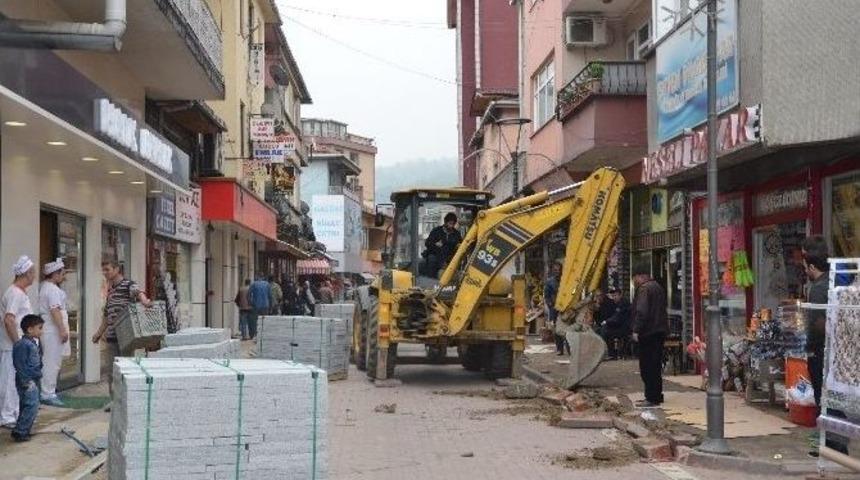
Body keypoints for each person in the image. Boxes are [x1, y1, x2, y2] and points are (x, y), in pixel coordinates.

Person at [92, 260, 152, 397]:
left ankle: (126, 400)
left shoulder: (127, 284)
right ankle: (114, 401)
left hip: (126, 336)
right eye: (103, 270)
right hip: (112, 337)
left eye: (107, 269)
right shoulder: (110, 289)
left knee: (126, 369)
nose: (105, 273)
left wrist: (144, 301)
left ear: (117, 269)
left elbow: (138, 292)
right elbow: (107, 314)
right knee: (112, 371)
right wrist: (99, 333)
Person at [0, 256, 36, 429]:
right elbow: (9, 320)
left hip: (18, 346)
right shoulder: (15, 293)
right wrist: (18, 344)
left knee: (15, 381)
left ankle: (12, 413)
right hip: (13, 347)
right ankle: (7, 416)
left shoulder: (19, 293)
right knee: (9, 381)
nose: (34, 276)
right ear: (26, 273)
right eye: (33, 272)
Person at [631, 268, 668, 407]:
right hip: (659, 331)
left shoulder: (644, 289)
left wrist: (636, 329)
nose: (634, 282)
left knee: (647, 366)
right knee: (656, 365)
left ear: (640, 276)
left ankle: (651, 397)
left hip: (648, 332)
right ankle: (657, 395)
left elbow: (642, 311)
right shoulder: (658, 287)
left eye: (634, 278)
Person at [38, 259, 71, 407]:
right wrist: (62, 330)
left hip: (51, 329)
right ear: (55, 274)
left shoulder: (47, 287)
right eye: (62, 273)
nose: (63, 277)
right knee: (52, 362)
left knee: (52, 361)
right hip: (53, 330)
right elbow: (55, 310)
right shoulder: (51, 289)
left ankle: (49, 390)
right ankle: (47, 393)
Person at [11, 314, 43, 442]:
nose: (42, 331)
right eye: (40, 328)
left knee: (28, 405)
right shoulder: (23, 345)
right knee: (31, 405)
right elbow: (20, 364)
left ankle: (23, 429)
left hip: (32, 379)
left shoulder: (31, 343)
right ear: (30, 329)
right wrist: (26, 381)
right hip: (27, 381)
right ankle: (21, 431)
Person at [422, 212, 462, 277]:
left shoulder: (456, 234)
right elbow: (427, 243)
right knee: (431, 259)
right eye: (450, 223)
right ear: (445, 222)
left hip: (450, 257)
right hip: (436, 254)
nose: (451, 226)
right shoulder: (436, 231)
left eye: (453, 224)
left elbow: (461, 244)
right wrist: (435, 244)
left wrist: (458, 246)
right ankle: (430, 278)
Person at [599, 288, 632, 360]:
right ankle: (610, 353)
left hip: (625, 328)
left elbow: (617, 318)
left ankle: (610, 354)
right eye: (613, 296)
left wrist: (606, 321)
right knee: (605, 329)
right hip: (620, 326)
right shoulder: (617, 303)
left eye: (615, 295)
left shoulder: (623, 303)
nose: (614, 297)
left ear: (620, 295)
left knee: (606, 332)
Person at [544, 263, 569, 356]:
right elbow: (546, 296)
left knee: (568, 328)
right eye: (555, 270)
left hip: (566, 308)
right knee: (557, 329)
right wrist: (551, 305)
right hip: (555, 308)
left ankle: (569, 348)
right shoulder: (549, 282)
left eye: (559, 270)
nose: (557, 272)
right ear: (553, 271)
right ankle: (559, 349)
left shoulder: (566, 281)